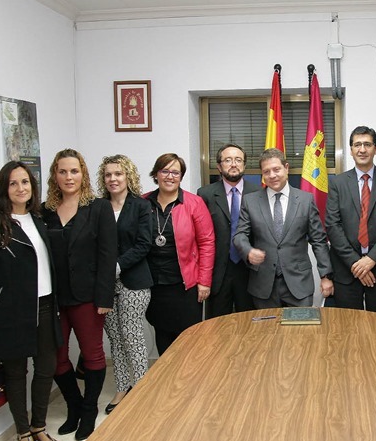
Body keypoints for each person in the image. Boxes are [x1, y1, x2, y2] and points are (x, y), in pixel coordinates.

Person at [0, 161, 62, 441]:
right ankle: (22, 431)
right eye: (13, 183)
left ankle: (38, 425)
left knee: (46, 368)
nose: (21, 188)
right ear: (4, 188)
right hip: (9, 312)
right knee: (16, 373)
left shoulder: (40, 219)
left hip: (45, 305)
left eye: (25, 182)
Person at [43, 148, 117, 441]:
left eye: (74, 171)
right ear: (55, 175)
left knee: (92, 354)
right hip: (54, 298)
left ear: (83, 174)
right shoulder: (44, 210)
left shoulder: (98, 208)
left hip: (88, 297)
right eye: (63, 171)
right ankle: (73, 407)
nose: (68, 177)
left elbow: (107, 254)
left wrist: (104, 298)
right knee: (57, 358)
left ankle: (89, 411)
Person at [233, 148, 333, 307]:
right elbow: (240, 235)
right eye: (266, 172)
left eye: (276, 169)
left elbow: (319, 240)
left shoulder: (305, 200)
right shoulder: (250, 201)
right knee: (267, 332)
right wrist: (248, 251)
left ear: (286, 168)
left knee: (301, 331)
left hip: (299, 284)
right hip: (263, 286)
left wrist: (325, 276)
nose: (272, 175)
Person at [325, 126, 376, 314]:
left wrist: (371, 260)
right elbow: (333, 226)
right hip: (346, 270)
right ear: (351, 150)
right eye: (357, 145)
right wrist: (356, 263)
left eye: (367, 144)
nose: (362, 149)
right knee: (349, 330)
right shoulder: (338, 183)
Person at [97, 154, 152, 414]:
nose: (113, 179)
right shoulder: (98, 207)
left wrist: (117, 266)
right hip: (105, 286)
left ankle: (141, 389)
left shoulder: (140, 206)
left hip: (134, 282)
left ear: (128, 175)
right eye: (108, 175)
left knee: (132, 336)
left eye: (118, 174)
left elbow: (144, 243)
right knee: (115, 338)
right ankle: (122, 387)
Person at [144, 153, 215, 355]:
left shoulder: (194, 203)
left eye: (175, 172)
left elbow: (207, 243)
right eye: (165, 171)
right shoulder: (143, 203)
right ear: (156, 174)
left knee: (188, 340)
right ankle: (167, 381)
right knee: (162, 336)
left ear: (181, 177)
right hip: (154, 286)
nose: (170, 176)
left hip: (186, 286)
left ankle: (189, 383)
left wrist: (205, 281)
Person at [197, 143, 260, 318]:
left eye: (238, 160)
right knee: (217, 327)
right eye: (228, 160)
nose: (233, 164)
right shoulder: (205, 195)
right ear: (219, 166)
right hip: (218, 273)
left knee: (250, 327)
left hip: (249, 272)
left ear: (244, 165)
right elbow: (200, 237)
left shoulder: (258, 193)